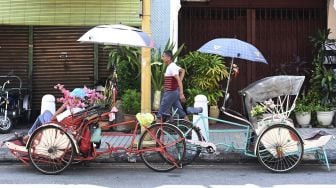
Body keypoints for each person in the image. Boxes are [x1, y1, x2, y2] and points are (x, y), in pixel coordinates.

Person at [20, 88, 86, 144]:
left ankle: (28, 136)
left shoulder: (73, 110)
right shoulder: (81, 110)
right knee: (44, 114)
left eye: (73, 97)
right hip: (63, 125)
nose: (72, 98)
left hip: (58, 126)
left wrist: (64, 106)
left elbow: (53, 118)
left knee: (42, 116)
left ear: (77, 98)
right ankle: (30, 136)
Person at [156, 50, 187, 121]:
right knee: (181, 113)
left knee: (160, 114)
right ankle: (192, 130)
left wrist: (181, 93)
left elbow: (178, 79)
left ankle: (155, 131)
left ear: (168, 58)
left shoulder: (171, 67)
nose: (162, 58)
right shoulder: (173, 65)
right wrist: (178, 84)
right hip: (174, 92)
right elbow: (183, 70)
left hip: (170, 93)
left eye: (163, 56)